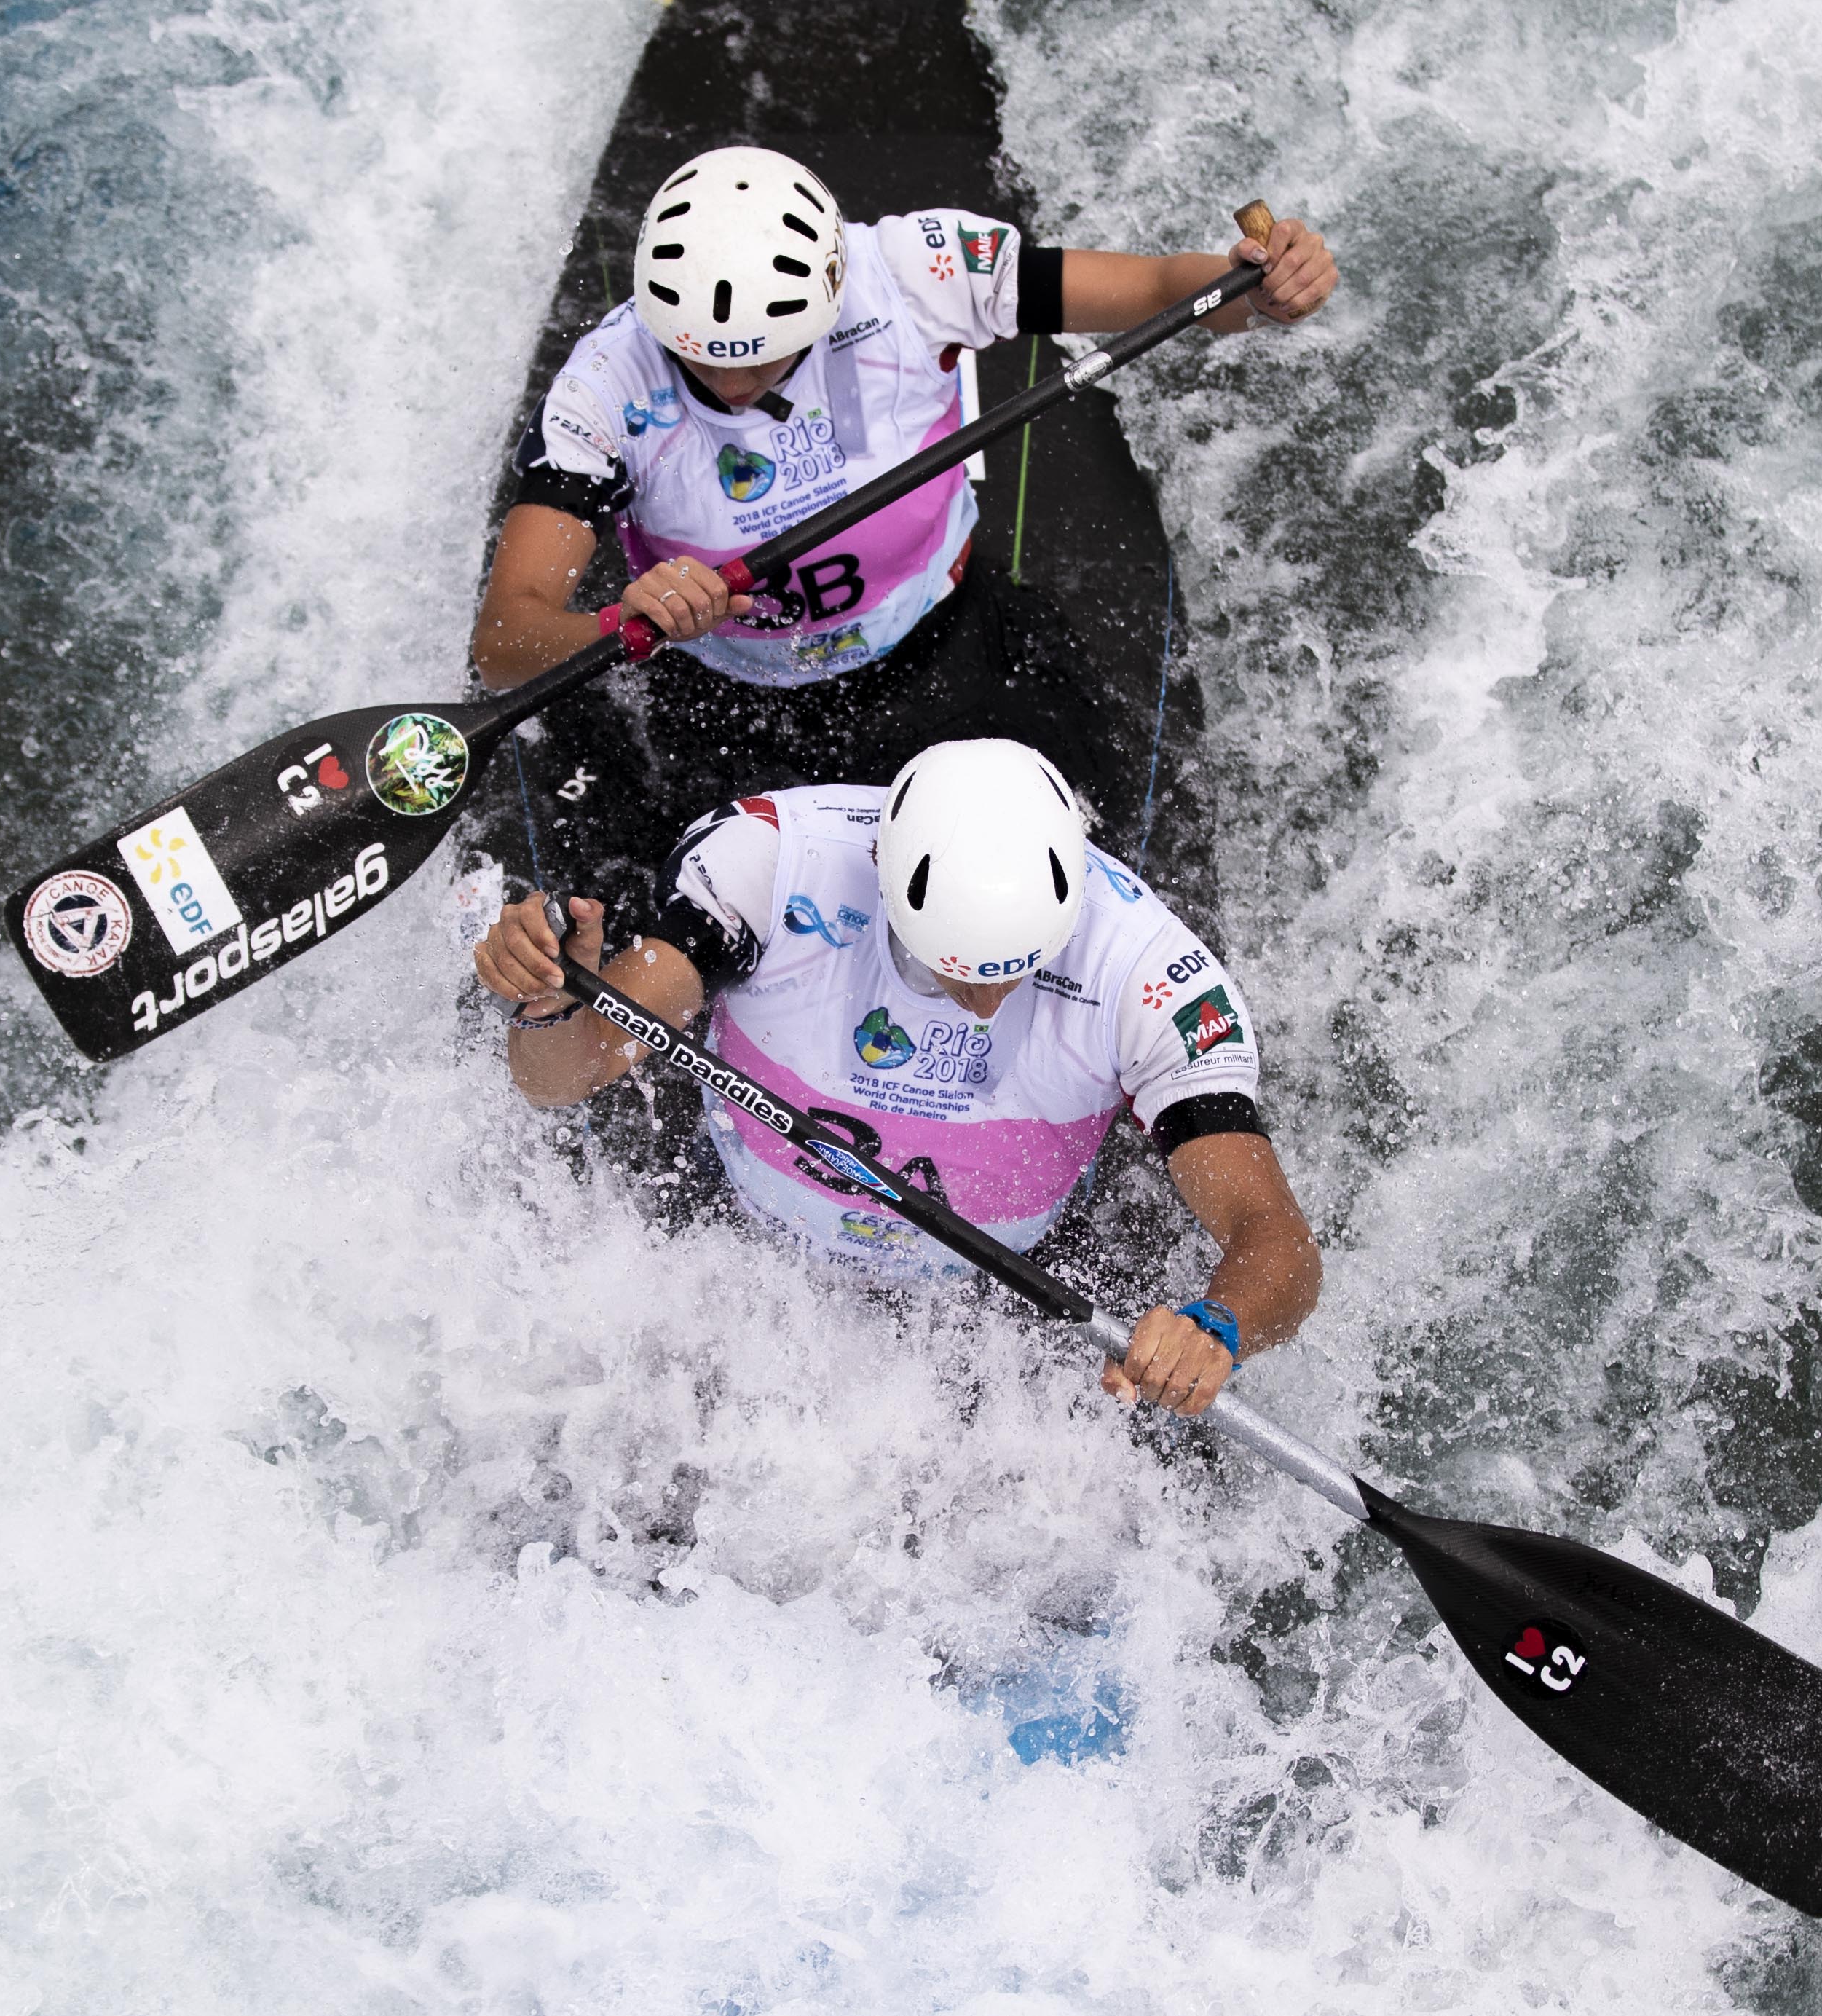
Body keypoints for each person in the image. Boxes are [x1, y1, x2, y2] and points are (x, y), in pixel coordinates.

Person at [468, 146, 1336, 862]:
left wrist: (1252, 292)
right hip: (731, 700)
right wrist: (628, 624)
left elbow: (1155, 290)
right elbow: (504, 640)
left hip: (946, 648)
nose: (732, 386)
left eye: (765, 358)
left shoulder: (916, 270)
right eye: (703, 358)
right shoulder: (604, 387)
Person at [468, 736, 1319, 1417]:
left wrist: (1218, 1326)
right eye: (956, 968)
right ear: (883, 874)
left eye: (1019, 968)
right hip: (739, 1232)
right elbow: (562, 1076)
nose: (986, 1005)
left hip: (1002, 1289)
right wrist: (551, 1003)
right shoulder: (772, 866)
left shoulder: (1149, 973)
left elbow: (1277, 1237)